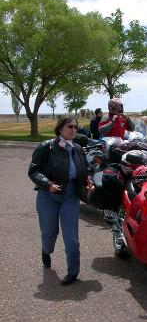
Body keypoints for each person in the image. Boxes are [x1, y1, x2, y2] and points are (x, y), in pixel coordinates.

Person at [28, 116, 94, 286]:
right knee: (50, 233)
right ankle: (46, 250)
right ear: (60, 128)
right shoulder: (46, 147)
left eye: (76, 127)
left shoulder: (78, 149)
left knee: (71, 237)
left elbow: (85, 170)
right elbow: (34, 171)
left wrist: (88, 183)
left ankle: (73, 272)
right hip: (48, 196)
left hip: (70, 195)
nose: (74, 130)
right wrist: (48, 184)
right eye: (70, 126)